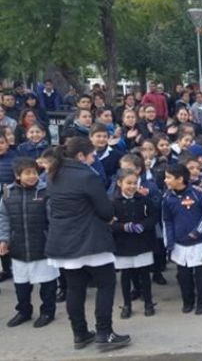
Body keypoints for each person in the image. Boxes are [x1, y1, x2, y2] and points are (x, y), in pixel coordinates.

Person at [44, 136, 130, 350]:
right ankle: (104, 332)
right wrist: (110, 216)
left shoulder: (53, 173)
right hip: (91, 239)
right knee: (106, 284)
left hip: (64, 240)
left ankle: (80, 334)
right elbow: (105, 210)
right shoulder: (87, 175)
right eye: (92, 154)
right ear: (81, 156)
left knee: (75, 288)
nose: (94, 158)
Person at [0, 157, 58, 328]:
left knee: (47, 283)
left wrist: (53, 239)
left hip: (42, 245)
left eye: (34, 172)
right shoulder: (8, 194)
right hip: (18, 247)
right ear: (18, 176)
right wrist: (4, 239)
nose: (32, 176)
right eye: (27, 173)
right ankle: (24, 311)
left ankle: (48, 311)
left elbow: (53, 219)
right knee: (21, 284)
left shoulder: (46, 192)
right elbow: (3, 219)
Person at [162, 163, 202, 315]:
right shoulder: (167, 197)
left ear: (180, 179)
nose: (166, 180)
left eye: (169, 178)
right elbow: (166, 221)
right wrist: (169, 242)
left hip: (199, 243)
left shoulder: (197, 193)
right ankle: (188, 302)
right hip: (179, 244)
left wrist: (197, 231)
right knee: (183, 276)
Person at [111, 169, 159, 318]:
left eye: (134, 183)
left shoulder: (143, 199)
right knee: (126, 276)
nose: (132, 186)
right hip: (122, 244)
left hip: (142, 242)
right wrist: (124, 227)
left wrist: (143, 226)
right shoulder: (112, 201)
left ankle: (148, 303)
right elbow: (109, 223)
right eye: (128, 183)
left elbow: (153, 216)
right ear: (119, 183)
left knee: (144, 274)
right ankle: (127, 305)